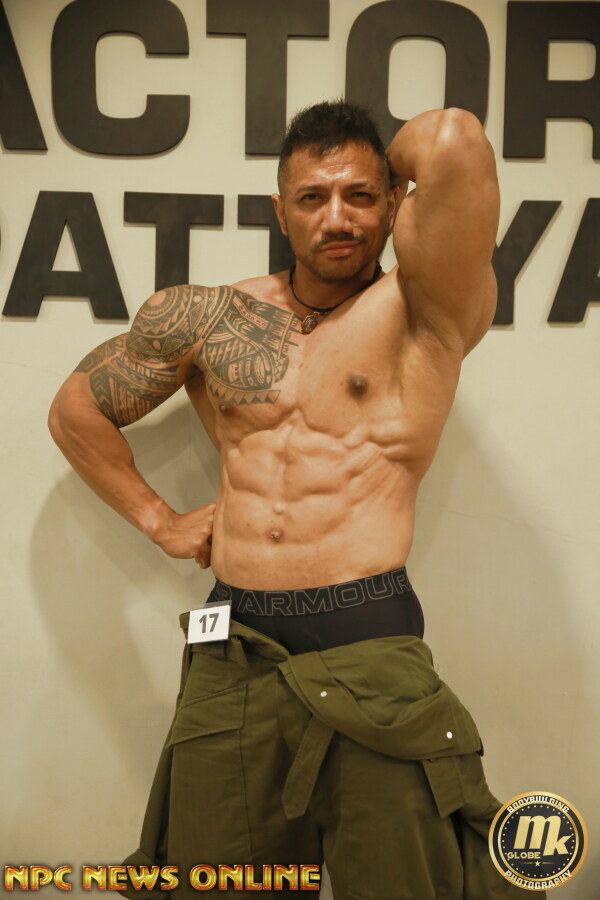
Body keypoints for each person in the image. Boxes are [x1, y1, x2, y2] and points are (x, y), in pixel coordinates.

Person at [48, 101, 540, 899]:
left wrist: (385, 163)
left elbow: (453, 137)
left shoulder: (428, 309)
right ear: (281, 212)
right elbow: (77, 411)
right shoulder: (208, 316)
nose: (337, 218)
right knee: (219, 881)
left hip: (369, 638)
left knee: (401, 883)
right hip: (234, 645)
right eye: (313, 198)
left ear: (394, 203)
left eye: (360, 196)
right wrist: (160, 521)